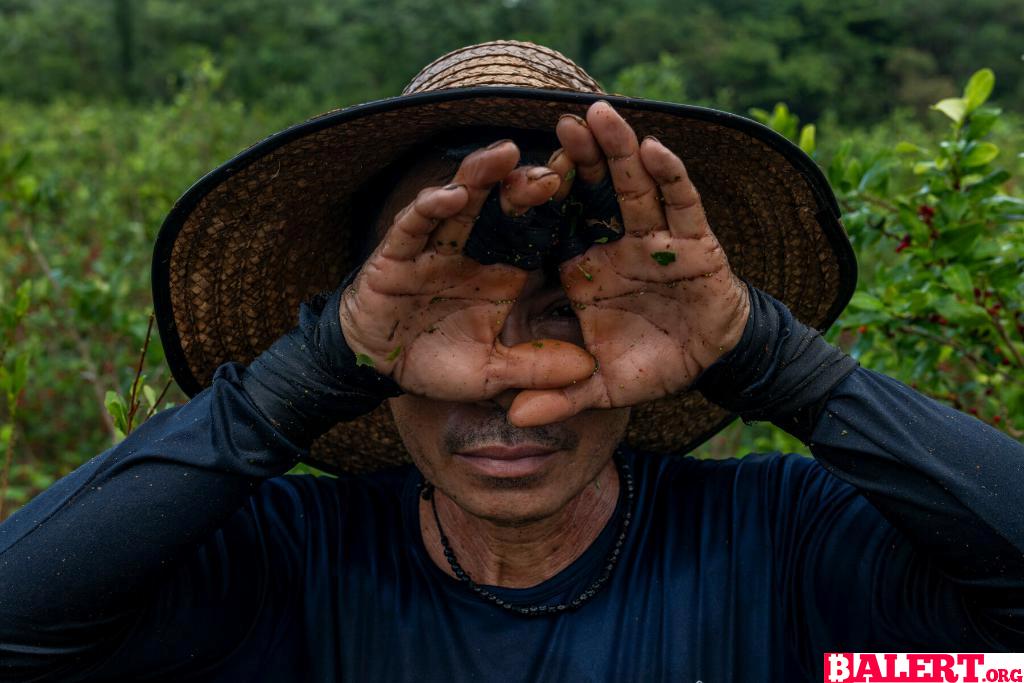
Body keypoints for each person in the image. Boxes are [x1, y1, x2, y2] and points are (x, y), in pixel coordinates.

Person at [1, 40, 1022, 683]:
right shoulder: (280, 563)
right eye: (437, 328)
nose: (510, 392)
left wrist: (766, 355)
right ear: (367, 355)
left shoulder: (789, 548)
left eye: (562, 318)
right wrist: (308, 370)